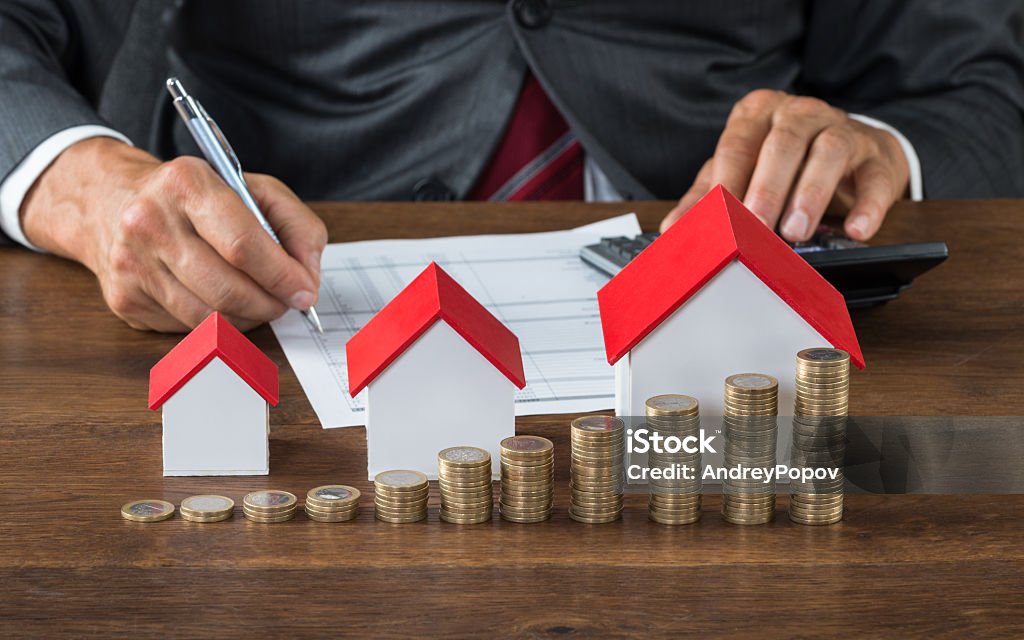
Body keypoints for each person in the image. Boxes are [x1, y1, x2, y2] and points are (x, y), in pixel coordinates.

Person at [1, 1, 1021, 332]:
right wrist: (85, 184)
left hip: (734, 299)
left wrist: (875, 150)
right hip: (279, 294)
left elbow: (972, 83)